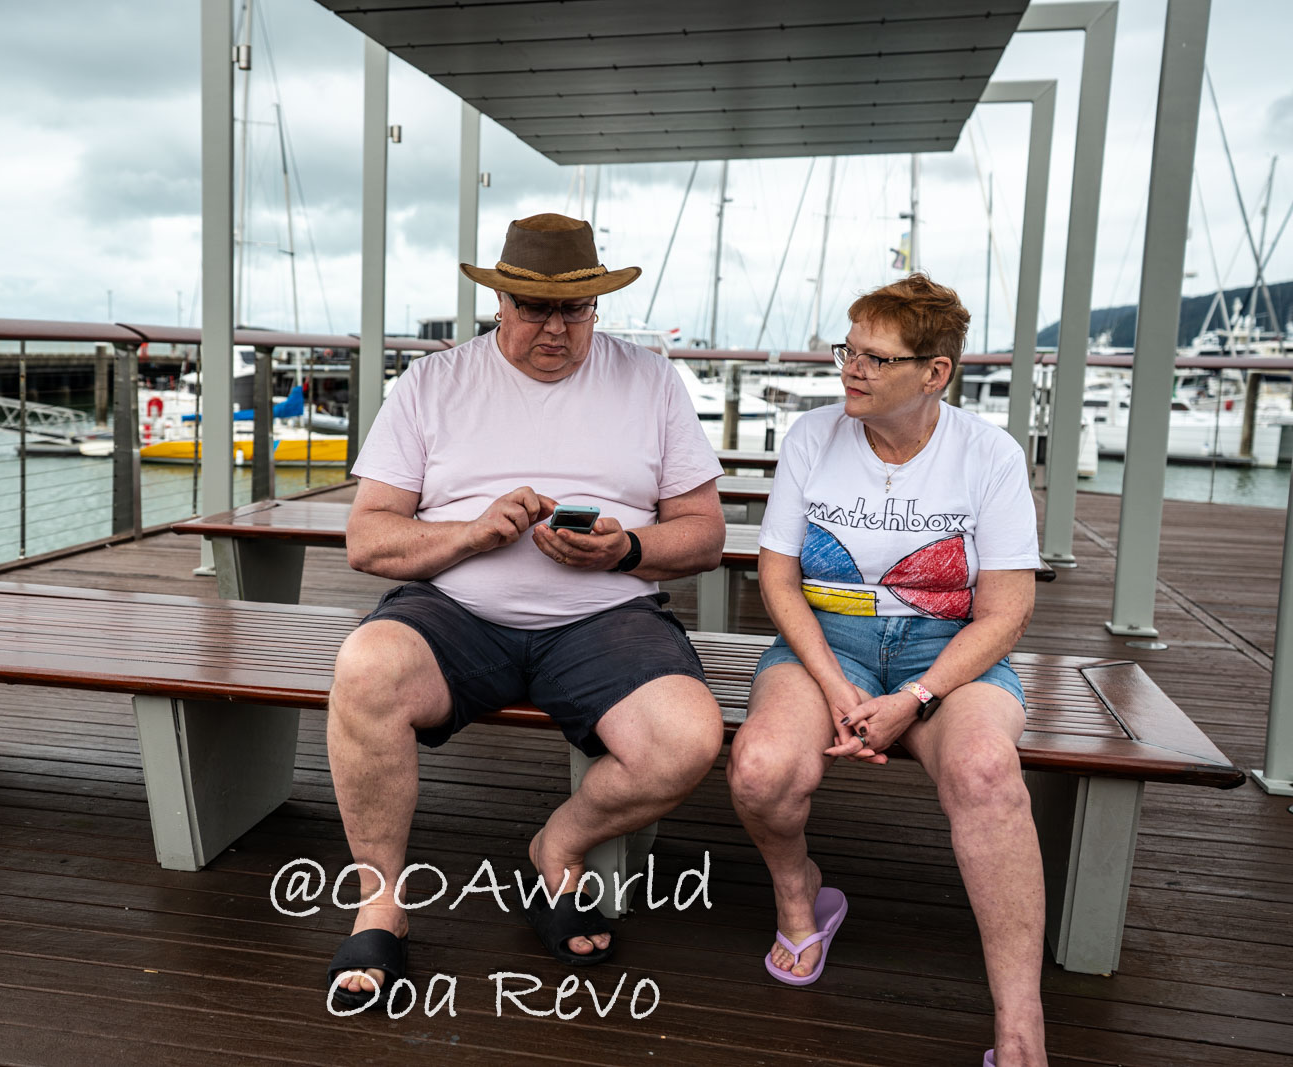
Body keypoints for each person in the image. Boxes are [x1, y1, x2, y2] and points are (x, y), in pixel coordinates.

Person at [324, 213, 726, 1009]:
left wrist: (628, 550)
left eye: (572, 310)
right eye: (533, 307)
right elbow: (367, 539)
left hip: (607, 618)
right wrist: (469, 534)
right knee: (365, 668)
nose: (554, 327)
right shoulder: (435, 381)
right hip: (455, 611)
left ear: (595, 309)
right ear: (498, 301)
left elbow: (706, 532)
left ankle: (558, 844)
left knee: (686, 738)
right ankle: (379, 902)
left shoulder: (649, 380)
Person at [725, 274, 1047, 1067]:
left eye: (875, 357)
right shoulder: (811, 437)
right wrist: (837, 684)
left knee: (985, 770)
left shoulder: (988, 454)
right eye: (849, 350)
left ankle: (1019, 1024)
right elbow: (776, 577)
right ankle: (801, 895)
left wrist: (916, 695)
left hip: (950, 651)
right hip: (827, 640)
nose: (851, 370)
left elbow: (1006, 611)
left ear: (935, 373)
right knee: (760, 769)